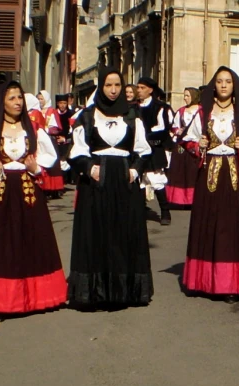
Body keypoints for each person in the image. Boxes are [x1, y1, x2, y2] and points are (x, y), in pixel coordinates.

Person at [0, 81, 68, 319]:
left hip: (27, 191)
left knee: (32, 241)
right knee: (1, 246)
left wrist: (35, 167)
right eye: (12, 98)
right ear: (1, 102)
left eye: (20, 98)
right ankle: (2, 302)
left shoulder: (32, 128)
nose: (17, 103)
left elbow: (48, 156)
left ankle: (38, 298)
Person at [67, 68, 154, 308]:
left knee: (123, 233)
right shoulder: (87, 115)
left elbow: (143, 149)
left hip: (124, 183)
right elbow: (77, 150)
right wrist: (90, 168)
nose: (114, 90)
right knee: (95, 233)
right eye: (108, 85)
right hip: (96, 183)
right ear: (101, 88)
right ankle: (95, 292)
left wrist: (135, 170)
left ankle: (123, 291)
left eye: (117, 85)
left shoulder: (132, 114)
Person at [182, 66, 239, 300]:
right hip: (209, 175)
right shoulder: (203, 113)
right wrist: (197, 145)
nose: (223, 85)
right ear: (213, 85)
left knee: (233, 227)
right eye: (219, 81)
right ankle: (205, 281)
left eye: (227, 82)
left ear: (234, 86)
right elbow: (186, 140)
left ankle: (231, 284)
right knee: (208, 224)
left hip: (236, 177)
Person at [136, 77, 175, 225]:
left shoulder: (160, 107)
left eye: (142, 87)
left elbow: (163, 128)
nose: (139, 90)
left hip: (153, 149)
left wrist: (146, 136)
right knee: (138, 180)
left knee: (156, 179)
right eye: (138, 87)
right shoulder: (133, 107)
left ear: (150, 90)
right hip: (136, 149)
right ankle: (139, 210)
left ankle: (165, 212)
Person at [167, 87, 202, 207]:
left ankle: (194, 199)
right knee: (181, 172)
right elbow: (174, 127)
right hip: (182, 145)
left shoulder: (201, 111)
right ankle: (181, 200)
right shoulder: (181, 111)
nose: (184, 98)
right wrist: (178, 130)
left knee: (194, 173)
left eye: (187, 95)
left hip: (196, 145)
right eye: (184, 95)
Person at [26, 93, 65, 197]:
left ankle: (54, 189)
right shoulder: (31, 112)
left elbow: (53, 126)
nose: (40, 101)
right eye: (38, 99)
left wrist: (47, 129)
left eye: (42, 99)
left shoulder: (50, 111)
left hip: (47, 138)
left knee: (50, 165)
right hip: (35, 138)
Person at [48, 94, 76, 185]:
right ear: (57, 103)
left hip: (67, 142)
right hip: (55, 142)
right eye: (61, 103)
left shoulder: (72, 114)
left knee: (65, 162)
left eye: (64, 103)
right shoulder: (53, 114)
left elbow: (74, 130)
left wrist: (65, 139)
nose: (63, 105)